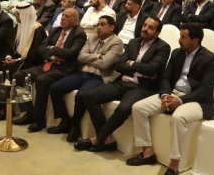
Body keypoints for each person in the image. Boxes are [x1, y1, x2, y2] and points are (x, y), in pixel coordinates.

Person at [128, 23, 214, 175]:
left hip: (197, 100)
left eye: (183, 37)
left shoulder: (210, 58)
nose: (179, 40)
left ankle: (174, 166)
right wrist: (165, 95)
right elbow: (166, 78)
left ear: (195, 40)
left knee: (178, 118)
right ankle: (147, 152)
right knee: (138, 108)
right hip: (173, 94)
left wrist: (180, 101)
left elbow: (206, 89)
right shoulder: (177, 53)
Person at [73, 17, 171, 152]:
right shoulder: (133, 42)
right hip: (123, 82)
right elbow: (119, 65)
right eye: (145, 25)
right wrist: (139, 70)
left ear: (157, 33)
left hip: (140, 87)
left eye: (151, 28)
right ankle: (108, 139)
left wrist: (131, 63)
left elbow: (152, 69)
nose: (145, 29)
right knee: (89, 96)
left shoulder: (163, 47)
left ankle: (97, 139)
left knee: (123, 109)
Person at [48, 15, 124, 143]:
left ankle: (75, 125)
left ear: (111, 27)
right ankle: (65, 120)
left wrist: (90, 58)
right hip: (82, 73)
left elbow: (105, 64)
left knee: (81, 95)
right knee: (55, 88)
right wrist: (98, 56)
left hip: (99, 77)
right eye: (97, 24)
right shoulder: (92, 37)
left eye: (102, 24)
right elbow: (80, 57)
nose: (98, 27)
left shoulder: (117, 42)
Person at [12, 8, 86, 133]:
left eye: (67, 16)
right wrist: (53, 56)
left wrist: (51, 48)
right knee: (18, 76)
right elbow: (41, 48)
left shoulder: (79, 34)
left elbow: (71, 53)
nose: (63, 18)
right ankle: (29, 112)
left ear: (75, 21)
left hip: (63, 68)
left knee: (42, 80)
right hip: (47, 64)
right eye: (63, 15)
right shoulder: (55, 30)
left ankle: (39, 119)